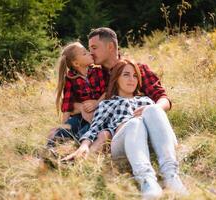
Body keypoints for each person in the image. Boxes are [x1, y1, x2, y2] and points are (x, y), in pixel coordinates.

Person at [62, 60, 188, 199]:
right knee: (134, 124)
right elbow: (94, 128)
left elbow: (160, 124)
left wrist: (150, 110)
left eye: (135, 76)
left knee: (154, 108)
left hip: (153, 142)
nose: (131, 79)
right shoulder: (107, 104)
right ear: (116, 79)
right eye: (126, 75)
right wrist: (84, 145)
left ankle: (171, 176)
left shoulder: (146, 100)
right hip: (123, 144)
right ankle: (147, 181)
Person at [47, 41, 110, 152]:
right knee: (65, 130)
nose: (90, 53)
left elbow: (108, 90)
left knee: (85, 132)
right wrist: (65, 124)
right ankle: (48, 152)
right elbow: (67, 104)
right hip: (80, 115)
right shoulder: (70, 79)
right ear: (76, 63)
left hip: (99, 113)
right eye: (85, 53)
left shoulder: (98, 71)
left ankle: (74, 150)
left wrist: (97, 103)